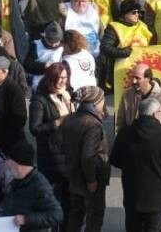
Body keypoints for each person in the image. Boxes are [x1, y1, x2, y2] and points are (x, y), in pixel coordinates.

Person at [110, 98, 161, 232]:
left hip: (132, 194)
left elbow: (115, 160)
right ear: (155, 114)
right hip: (156, 198)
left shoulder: (125, 133)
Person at [61, 85, 108, 232]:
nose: (104, 103)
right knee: (94, 217)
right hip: (90, 180)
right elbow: (88, 156)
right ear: (95, 102)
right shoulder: (93, 125)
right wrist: (91, 180)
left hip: (73, 176)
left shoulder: (70, 119)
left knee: (75, 214)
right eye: (102, 100)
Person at [28, 63, 73, 211]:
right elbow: (34, 128)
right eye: (59, 78)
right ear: (51, 78)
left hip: (67, 152)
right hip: (50, 155)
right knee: (53, 200)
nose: (63, 81)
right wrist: (57, 123)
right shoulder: (39, 100)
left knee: (67, 199)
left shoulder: (66, 94)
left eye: (65, 78)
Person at [0, 139, 64, 232]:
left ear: (18, 165)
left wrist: (26, 219)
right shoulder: (15, 181)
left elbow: (56, 215)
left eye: (10, 165)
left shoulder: (39, 184)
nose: (8, 169)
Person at [116, 63, 161, 132]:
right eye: (132, 77)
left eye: (137, 78)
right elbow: (121, 122)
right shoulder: (127, 94)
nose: (134, 81)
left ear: (148, 78)